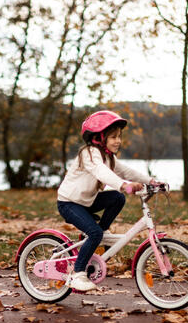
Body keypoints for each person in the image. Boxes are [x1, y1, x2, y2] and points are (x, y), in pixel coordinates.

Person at [57, 110, 157, 292]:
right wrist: (124, 185)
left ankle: (100, 232)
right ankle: (77, 273)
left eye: (119, 136)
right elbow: (101, 173)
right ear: (99, 138)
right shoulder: (88, 154)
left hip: (86, 201)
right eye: (113, 137)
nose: (118, 141)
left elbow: (126, 171)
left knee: (116, 199)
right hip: (69, 203)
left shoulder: (109, 157)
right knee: (94, 232)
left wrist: (150, 181)